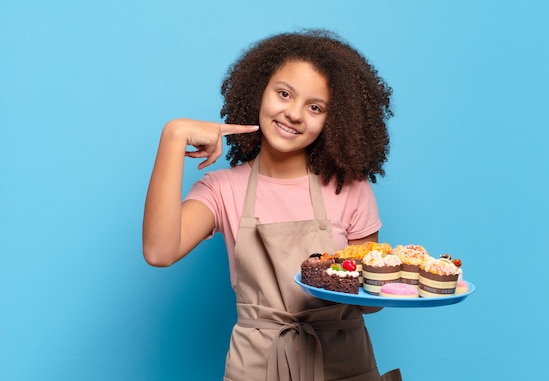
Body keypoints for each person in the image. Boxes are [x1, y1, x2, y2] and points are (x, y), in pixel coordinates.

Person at [142, 29, 401, 381]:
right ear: (259, 92)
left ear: (334, 121)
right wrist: (173, 136)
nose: (294, 114)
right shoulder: (222, 189)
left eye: (315, 107)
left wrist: (388, 278)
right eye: (284, 93)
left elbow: (370, 305)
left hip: (344, 364)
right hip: (258, 366)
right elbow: (159, 251)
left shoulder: (350, 189)